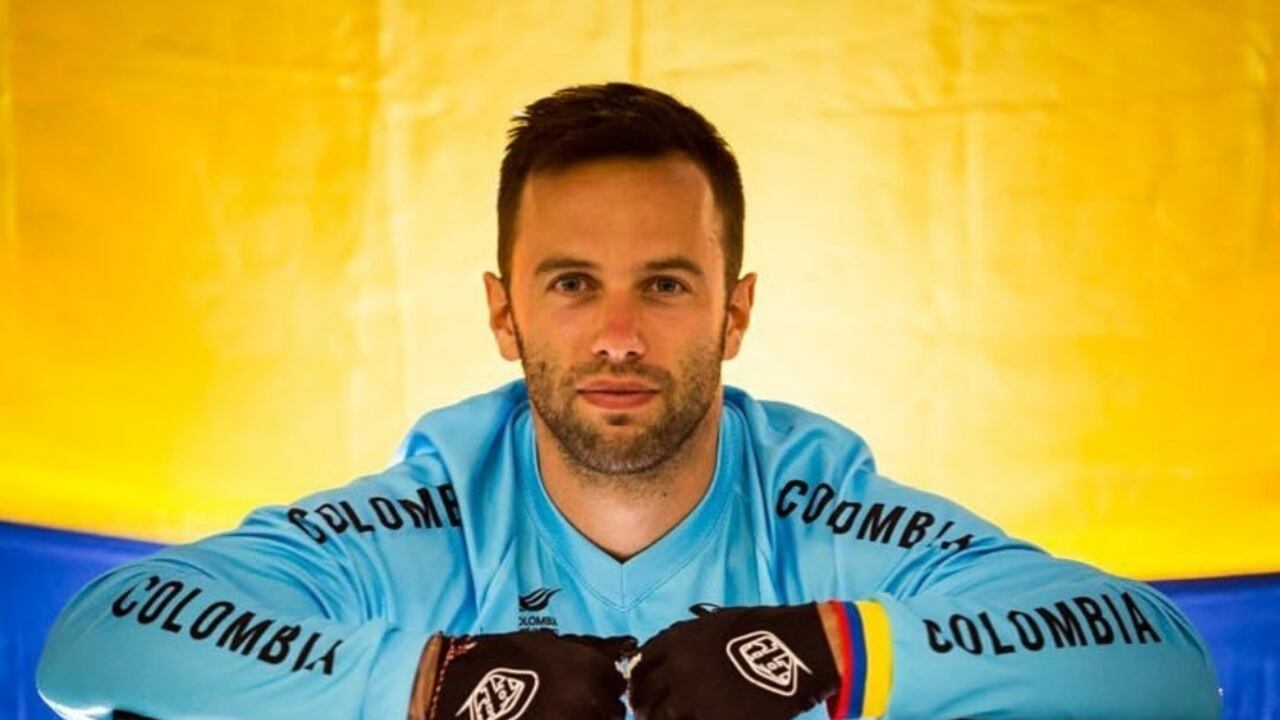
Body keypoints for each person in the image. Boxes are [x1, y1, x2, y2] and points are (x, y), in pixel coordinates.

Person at [37, 82, 1221, 720]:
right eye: (570, 285)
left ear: (733, 314)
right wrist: (426, 685)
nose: (616, 336)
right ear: (503, 315)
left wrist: (836, 649)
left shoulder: (823, 512)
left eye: (663, 285)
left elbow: (1160, 663)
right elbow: (97, 639)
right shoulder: (422, 518)